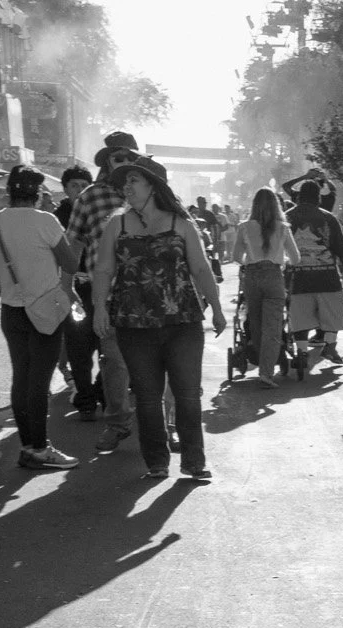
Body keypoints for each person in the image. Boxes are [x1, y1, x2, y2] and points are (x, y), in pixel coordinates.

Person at [91, 156, 225, 481]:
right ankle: (156, 463)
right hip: (133, 325)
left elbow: (201, 268)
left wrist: (218, 308)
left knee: (188, 393)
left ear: (153, 186)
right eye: (125, 183)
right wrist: (98, 309)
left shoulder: (182, 223)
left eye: (133, 181)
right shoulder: (116, 225)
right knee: (148, 397)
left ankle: (194, 462)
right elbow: (105, 269)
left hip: (183, 323)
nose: (127, 188)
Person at [0, 166, 79, 471]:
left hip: (11, 310)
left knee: (20, 378)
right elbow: (70, 263)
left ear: (9, 191)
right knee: (39, 382)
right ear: (38, 194)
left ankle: (27, 446)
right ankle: (40, 448)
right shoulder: (46, 221)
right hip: (44, 309)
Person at [67, 132, 145, 452]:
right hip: (109, 294)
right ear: (108, 162)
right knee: (113, 363)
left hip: (150, 293)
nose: (124, 164)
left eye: (130, 158)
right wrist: (66, 284)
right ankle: (117, 423)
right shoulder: (91, 196)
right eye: (118, 158)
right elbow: (73, 242)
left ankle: (161, 425)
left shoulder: (153, 193)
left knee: (156, 362)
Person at [229, 186, 296, 388]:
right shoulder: (283, 228)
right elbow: (296, 258)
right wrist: (280, 259)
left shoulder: (244, 227)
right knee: (273, 327)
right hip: (274, 276)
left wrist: (251, 260)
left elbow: (235, 257)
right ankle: (266, 372)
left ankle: (259, 359)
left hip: (252, 276)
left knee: (255, 324)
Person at [285, 179, 343, 371]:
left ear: (298, 197)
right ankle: (330, 347)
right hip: (327, 278)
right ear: (318, 198)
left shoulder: (286, 218)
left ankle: (302, 352)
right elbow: (341, 247)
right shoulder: (329, 218)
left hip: (297, 279)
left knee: (300, 317)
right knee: (333, 314)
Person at [52, 165, 100, 415]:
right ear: (65, 189)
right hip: (71, 288)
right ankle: (85, 398)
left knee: (109, 347)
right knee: (78, 347)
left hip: (100, 286)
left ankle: (96, 391)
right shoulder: (56, 218)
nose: (80, 190)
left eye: (84, 185)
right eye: (74, 186)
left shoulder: (98, 211)